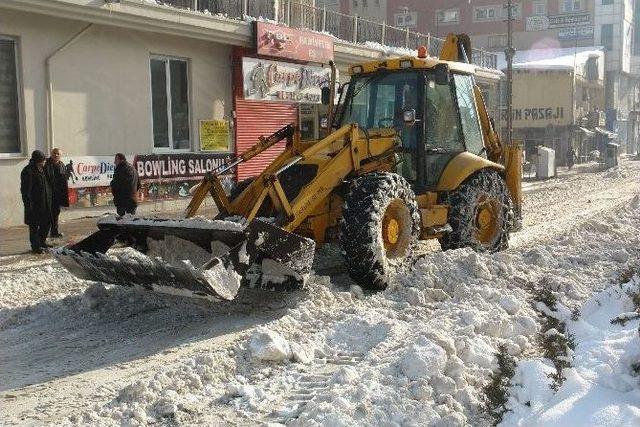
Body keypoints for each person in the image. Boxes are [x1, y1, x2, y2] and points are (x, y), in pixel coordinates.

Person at [20, 150, 53, 254]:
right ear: (37, 160)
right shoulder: (28, 171)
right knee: (34, 226)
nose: (44, 162)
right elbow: (26, 190)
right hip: (34, 205)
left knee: (46, 223)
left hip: (45, 203)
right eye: (42, 160)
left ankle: (42, 242)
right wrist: (28, 205)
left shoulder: (42, 169)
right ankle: (35, 247)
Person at [44, 148, 69, 238]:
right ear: (51, 154)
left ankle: (54, 232)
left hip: (57, 194)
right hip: (48, 194)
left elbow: (64, 181)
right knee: (47, 215)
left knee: (55, 213)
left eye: (58, 153)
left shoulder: (62, 165)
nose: (56, 155)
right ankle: (43, 235)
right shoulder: (46, 164)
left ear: (60, 155)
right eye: (54, 153)